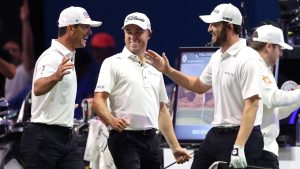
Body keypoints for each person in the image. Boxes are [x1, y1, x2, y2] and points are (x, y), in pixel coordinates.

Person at [145, 3, 264, 169]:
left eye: (214, 24)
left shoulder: (248, 58)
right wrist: (168, 70)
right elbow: (198, 85)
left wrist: (238, 147)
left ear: (229, 26)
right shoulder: (217, 56)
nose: (209, 29)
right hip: (216, 134)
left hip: (243, 138)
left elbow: (252, 105)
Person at [92, 12, 191, 169]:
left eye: (138, 32)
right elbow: (98, 101)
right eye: (128, 32)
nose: (133, 36)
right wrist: (111, 120)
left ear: (149, 34)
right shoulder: (112, 63)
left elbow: (162, 111)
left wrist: (175, 147)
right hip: (124, 139)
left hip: (152, 140)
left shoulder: (155, 67)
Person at [19, 6, 101, 169]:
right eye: (85, 27)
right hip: (43, 140)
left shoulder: (66, 56)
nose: (89, 33)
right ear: (71, 28)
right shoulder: (51, 57)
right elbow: (38, 87)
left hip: (66, 139)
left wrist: (64, 105)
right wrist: (56, 76)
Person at [251, 24, 300, 169]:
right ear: (268, 46)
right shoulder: (257, 66)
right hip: (260, 152)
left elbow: (275, 112)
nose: (281, 54)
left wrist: (297, 98)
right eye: (280, 48)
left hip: (263, 149)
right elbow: (274, 99)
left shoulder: (262, 68)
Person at [2, 0, 35, 109]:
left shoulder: (23, 71)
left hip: (18, 112)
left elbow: (28, 50)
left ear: (21, 54)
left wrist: (25, 21)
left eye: (14, 50)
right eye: (8, 50)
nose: (10, 52)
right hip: (4, 113)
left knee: (28, 89)